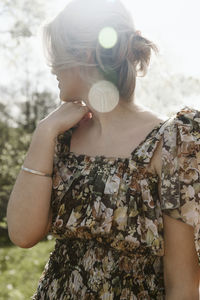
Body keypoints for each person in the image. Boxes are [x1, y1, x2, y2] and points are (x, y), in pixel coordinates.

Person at [6, 0, 200, 299]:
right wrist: (43, 133)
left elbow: (183, 284)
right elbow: (22, 234)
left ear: (83, 54)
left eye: (56, 55)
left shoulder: (173, 141)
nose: (51, 67)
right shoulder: (60, 136)